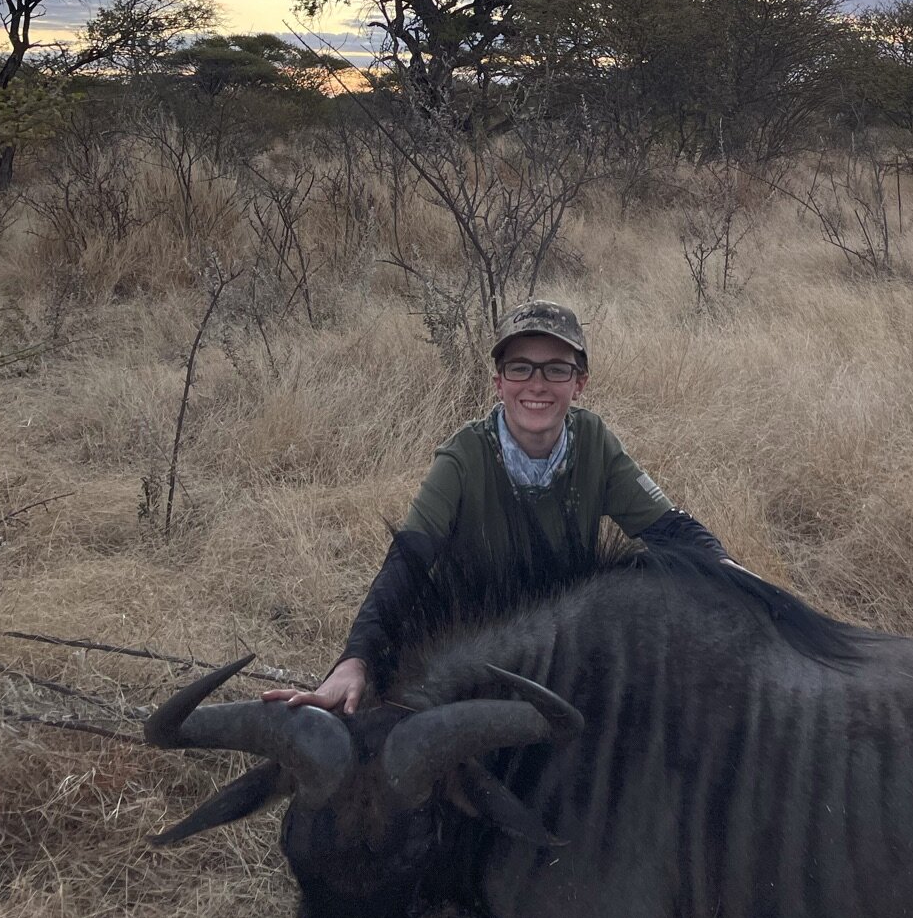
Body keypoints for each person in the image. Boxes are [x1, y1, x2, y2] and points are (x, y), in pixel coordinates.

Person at [263, 301, 726, 716]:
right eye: (521, 368)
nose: (537, 385)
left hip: (566, 654)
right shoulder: (461, 457)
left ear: (579, 383)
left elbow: (669, 529)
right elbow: (408, 562)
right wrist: (355, 660)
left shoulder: (595, 442)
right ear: (498, 381)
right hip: (471, 658)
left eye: (556, 370)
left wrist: (730, 570)